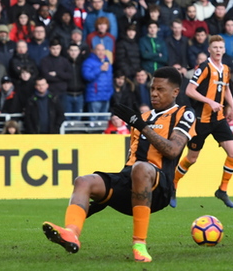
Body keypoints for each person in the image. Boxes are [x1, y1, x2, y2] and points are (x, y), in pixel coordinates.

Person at [42, 66, 196, 262]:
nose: (154, 93)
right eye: (152, 89)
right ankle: (71, 234)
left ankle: (139, 244)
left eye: (160, 89)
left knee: (140, 168)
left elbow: (173, 150)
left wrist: (140, 125)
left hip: (159, 187)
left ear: (175, 92)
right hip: (131, 179)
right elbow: (131, 160)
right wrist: (106, 197)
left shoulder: (184, 113)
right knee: (83, 181)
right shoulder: (145, 117)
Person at [172, 35, 233, 208]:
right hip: (202, 120)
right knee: (192, 159)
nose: (218, 50)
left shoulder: (225, 69)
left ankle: (222, 190)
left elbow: (225, 88)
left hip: (219, 119)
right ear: (209, 50)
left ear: (224, 50)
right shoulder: (204, 68)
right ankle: (174, 183)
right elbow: (189, 90)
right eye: (214, 47)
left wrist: (232, 105)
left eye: (220, 47)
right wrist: (209, 101)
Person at [82, 44, 113, 121]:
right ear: (94, 51)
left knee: (104, 122)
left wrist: (110, 93)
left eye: (102, 50)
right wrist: (100, 69)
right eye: (98, 50)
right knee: (94, 122)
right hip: (94, 97)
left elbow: (110, 79)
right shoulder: (88, 62)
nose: (101, 52)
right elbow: (87, 76)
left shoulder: (107, 62)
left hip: (106, 97)